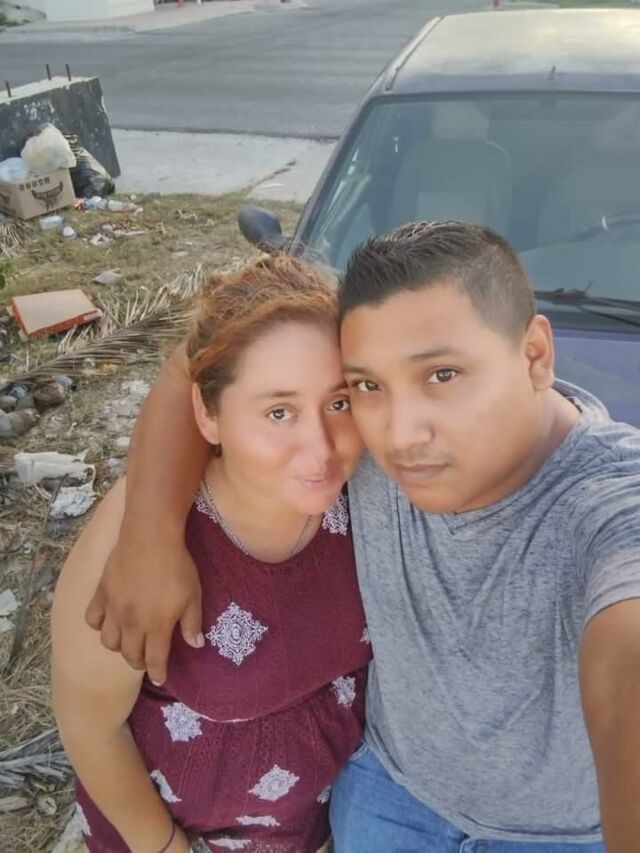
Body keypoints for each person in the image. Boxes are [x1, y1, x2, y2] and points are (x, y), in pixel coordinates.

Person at [86, 221, 640, 852]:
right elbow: (197, 362)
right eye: (367, 386)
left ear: (534, 355)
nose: (401, 434)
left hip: (560, 835)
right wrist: (152, 534)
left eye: (442, 375)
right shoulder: (348, 444)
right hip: (388, 796)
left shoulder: (610, 501)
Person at [52, 255, 371, 853]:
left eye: (339, 403)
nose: (321, 448)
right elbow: (90, 727)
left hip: (316, 828)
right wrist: (164, 847)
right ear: (208, 413)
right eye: (279, 412)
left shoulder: (366, 500)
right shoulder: (148, 533)